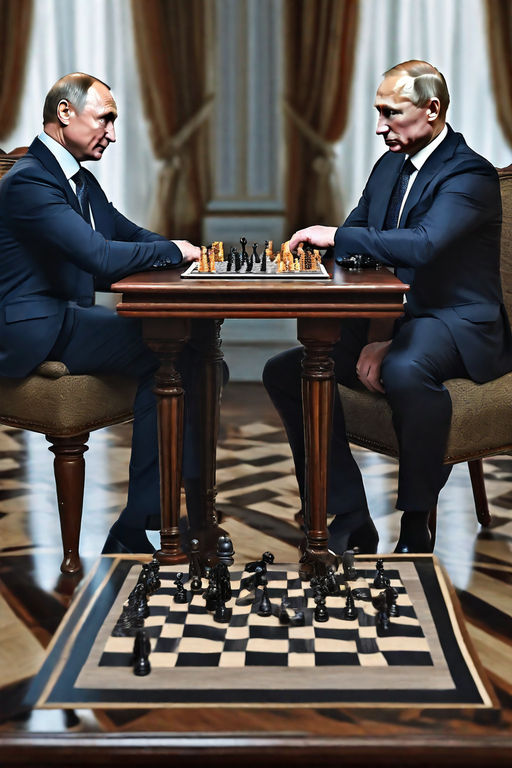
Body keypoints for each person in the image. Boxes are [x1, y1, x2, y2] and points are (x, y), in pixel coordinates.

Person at [263, 60, 512, 555]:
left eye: (391, 113)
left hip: (457, 320)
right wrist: (318, 251)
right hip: (399, 315)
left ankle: (415, 524)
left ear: (433, 110)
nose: (380, 126)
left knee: (404, 367)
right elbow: (360, 238)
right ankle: (351, 513)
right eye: (378, 113)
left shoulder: (470, 174)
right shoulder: (388, 167)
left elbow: (420, 246)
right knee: (285, 372)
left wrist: (388, 335)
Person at [0, 72, 218, 554]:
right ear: (64, 114)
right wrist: (174, 253)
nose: (113, 134)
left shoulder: (76, 179)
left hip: (62, 317)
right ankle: (148, 519)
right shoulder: (31, 180)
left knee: (193, 350)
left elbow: (128, 234)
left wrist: (189, 252)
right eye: (106, 119)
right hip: (34, 328)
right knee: (176, 351)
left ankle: (170, 514)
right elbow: (99, 257)